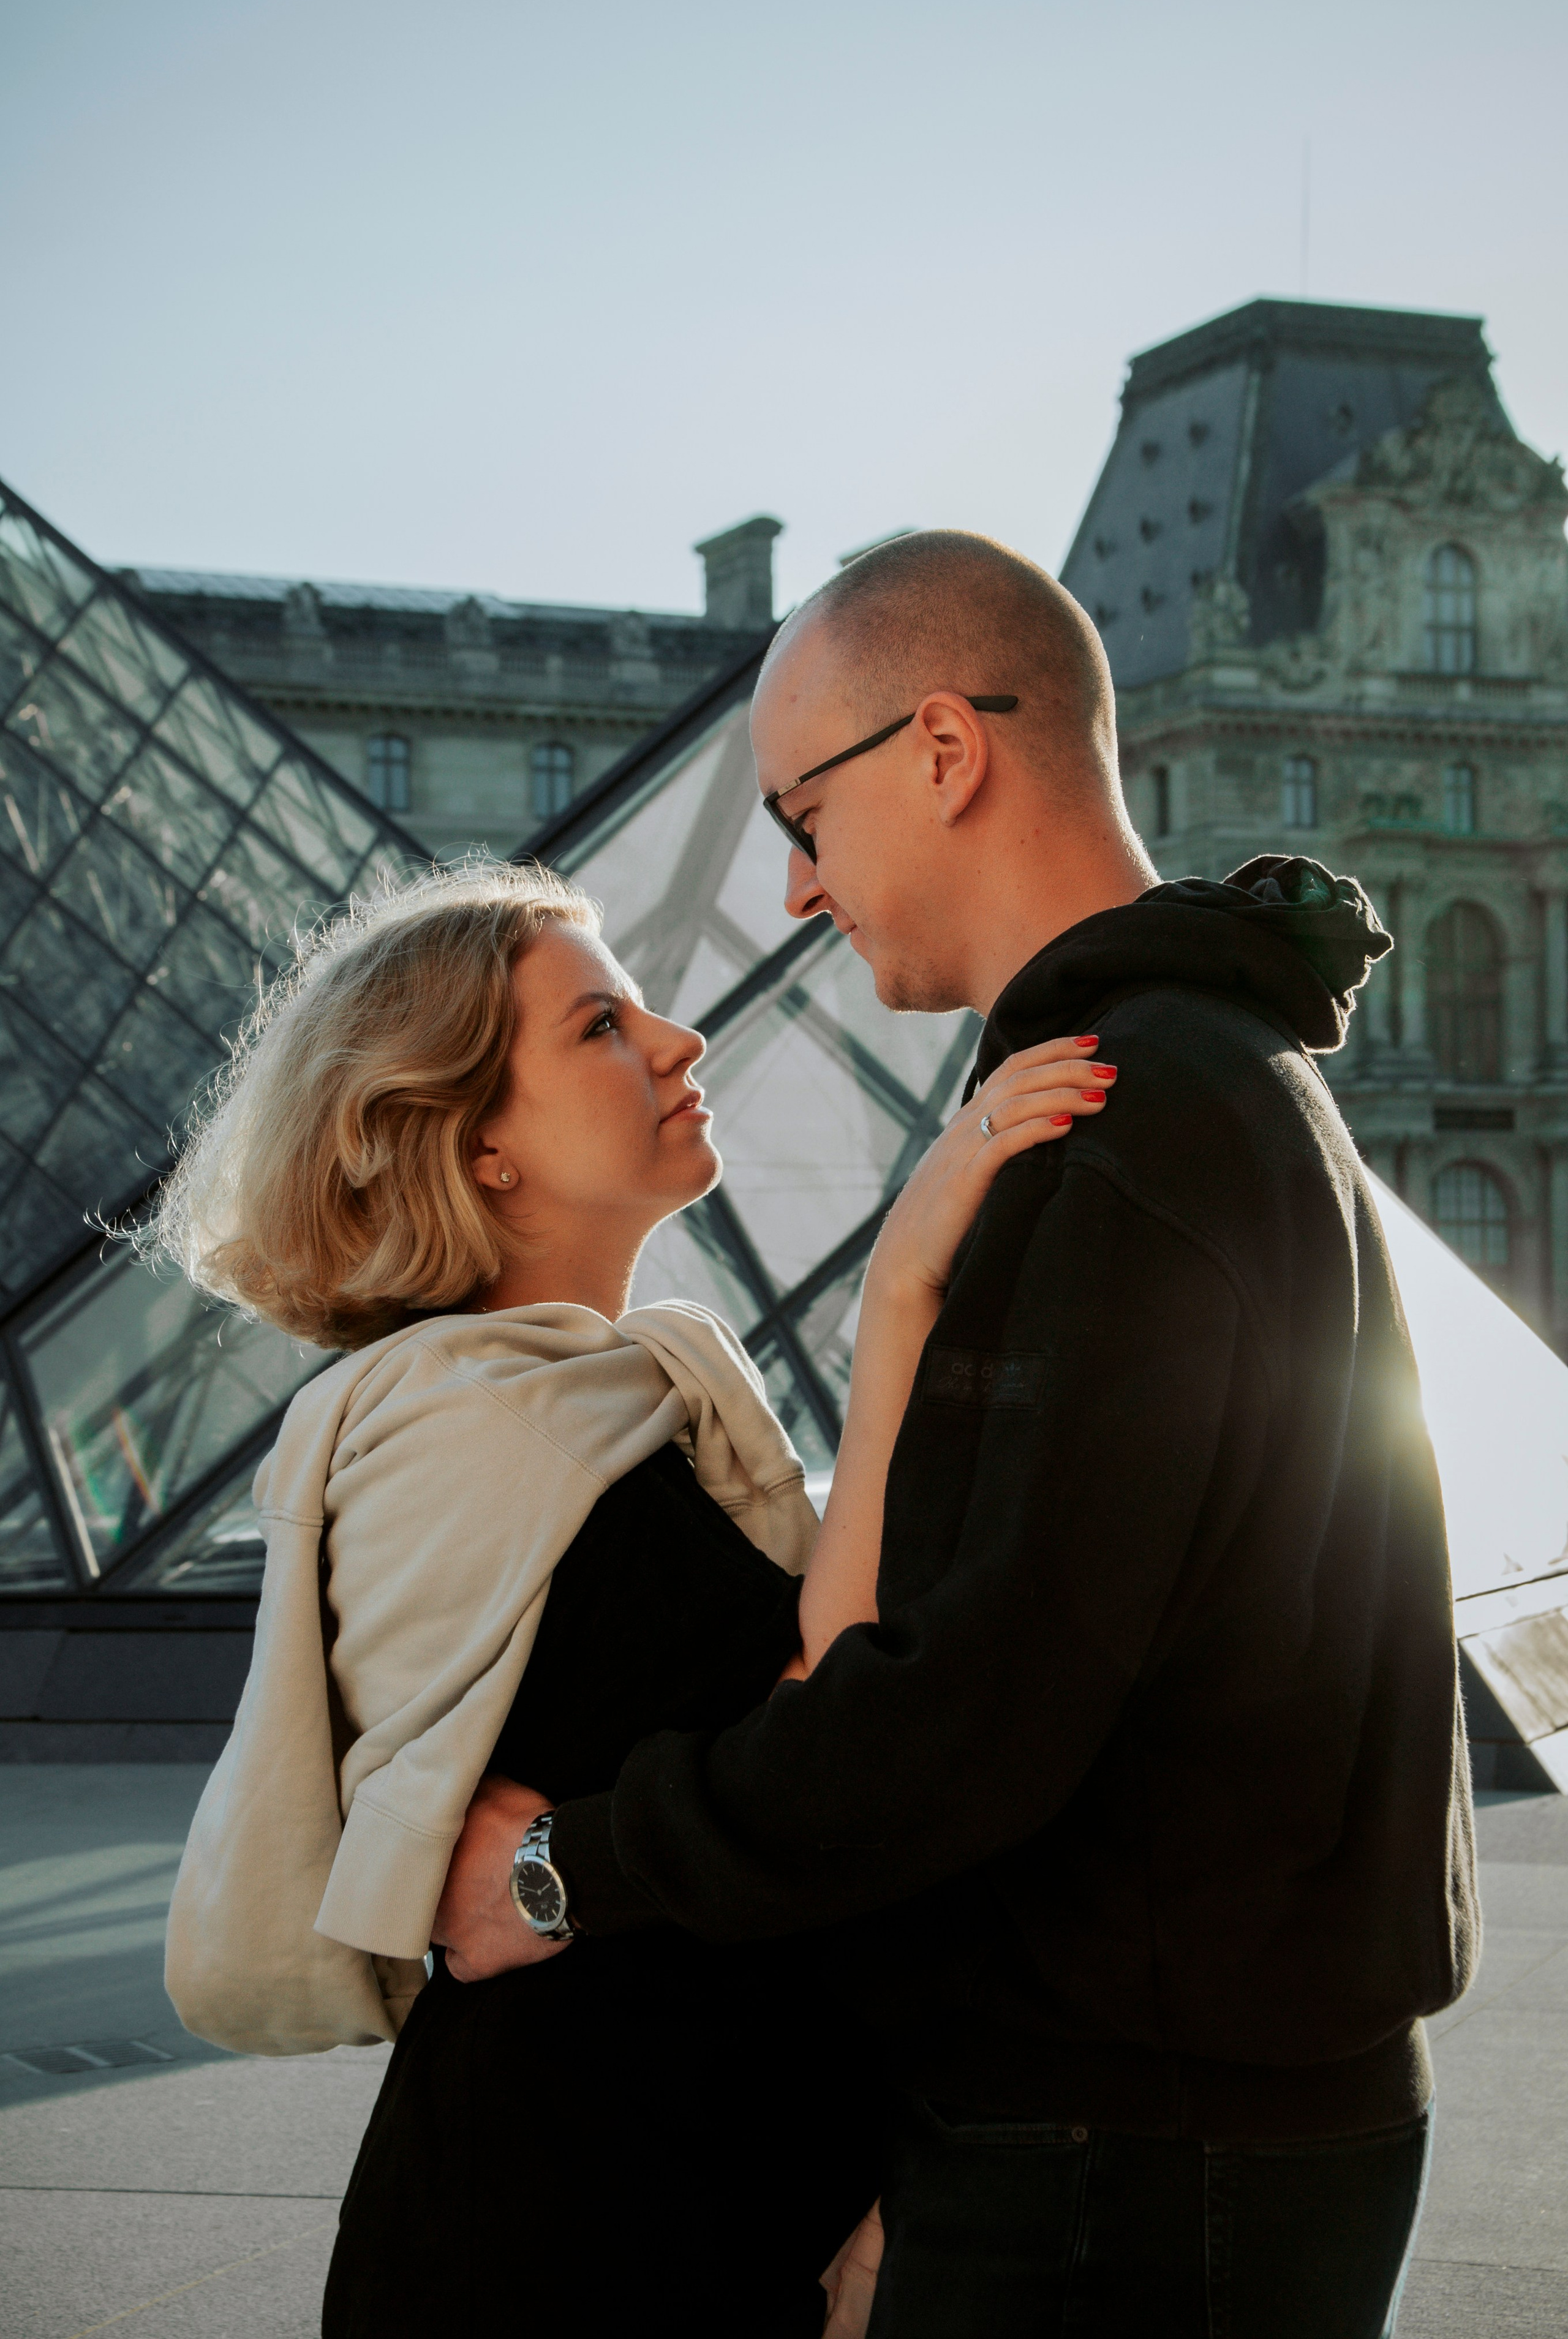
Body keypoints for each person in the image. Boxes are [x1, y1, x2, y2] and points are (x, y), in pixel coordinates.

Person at [435, 532, 1479, 2339]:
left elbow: (974, 1698)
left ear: (943, 749)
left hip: (1135, 2140)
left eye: (806, 817)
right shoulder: (1197, 1079)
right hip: (1193, 2103)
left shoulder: (1126, 1123)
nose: (790, 891)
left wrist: (564, 1867)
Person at [153, 859, 1112, 2338]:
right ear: (476, 1143)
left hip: (679, 2166)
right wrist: (899, 1293)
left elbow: (807, 1703)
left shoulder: (623, 1405)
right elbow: (828, 1728)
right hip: (572, 2214)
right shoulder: (467, 1427)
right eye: (599, 1027)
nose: (679, 1039)